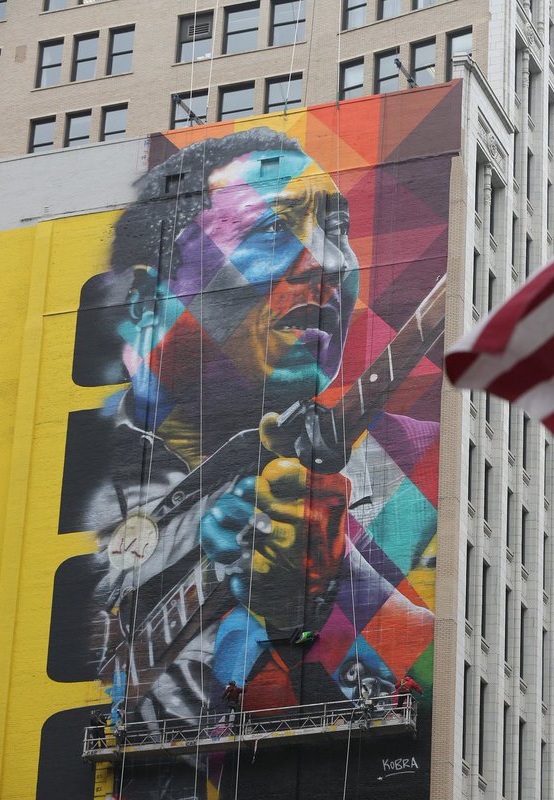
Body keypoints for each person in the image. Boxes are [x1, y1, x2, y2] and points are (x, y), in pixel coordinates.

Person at [87, 127, 439, 744]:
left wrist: (339, 582)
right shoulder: (71, 483)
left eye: (338, 230)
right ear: (148, 304)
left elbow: (462, 692)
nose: (330, 263)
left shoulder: (419, 463)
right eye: (274, 229)